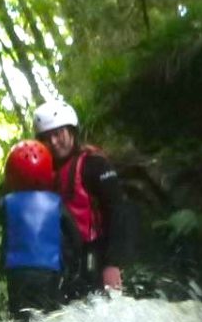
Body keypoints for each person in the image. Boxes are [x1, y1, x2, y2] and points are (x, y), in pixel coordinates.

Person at [31, 100, 136, 299]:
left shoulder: (94, 164)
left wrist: (113, 263)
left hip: (97, 253)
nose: (53, 142)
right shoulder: (44, 173)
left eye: (58, 133)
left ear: (71, 131)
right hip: (67, 260)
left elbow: (118, 211)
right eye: (46, 138)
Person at [0, 140, 68, 321]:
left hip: (18, 271)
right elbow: (74, 236)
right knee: (49, 316)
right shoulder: (56, 203)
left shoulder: (7, 202)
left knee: (21, 317)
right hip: (50, 270)